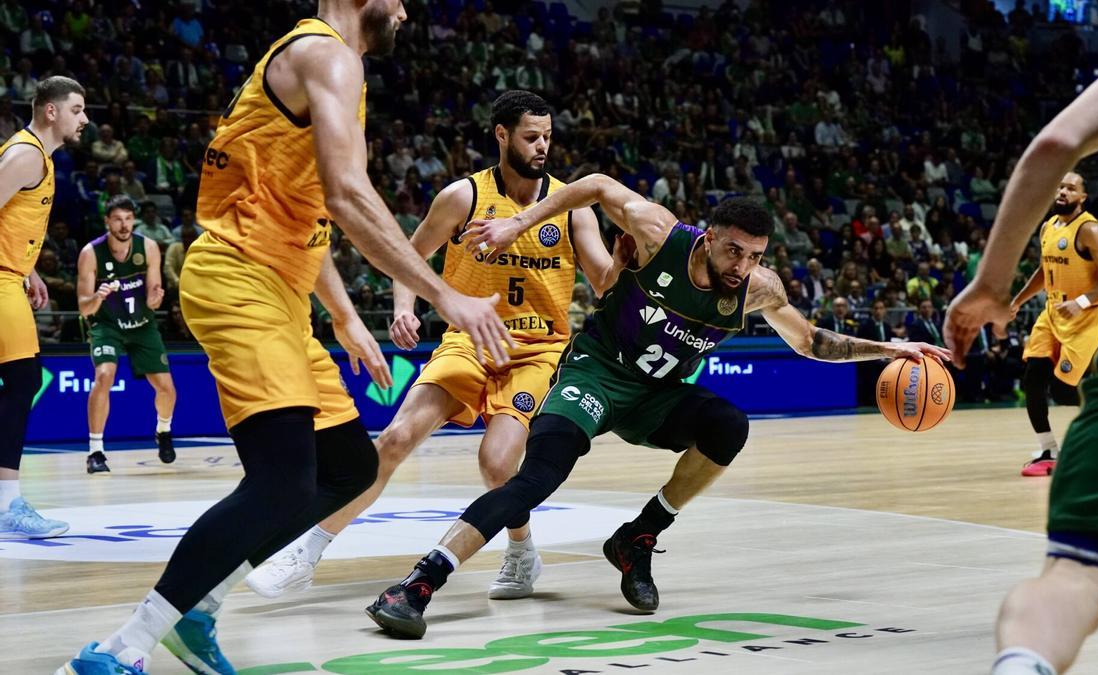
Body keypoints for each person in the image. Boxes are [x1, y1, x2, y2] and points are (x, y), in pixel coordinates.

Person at [59, 3, 512, 674]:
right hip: (240, 279)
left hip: (282, 290)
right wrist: (444, 293)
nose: (406, 9)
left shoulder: (324, 59)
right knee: (280, 482)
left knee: (348, 469)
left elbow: (312, 210)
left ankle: (199, 606)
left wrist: (345, 315)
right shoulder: (327, 55)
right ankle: (120, 647)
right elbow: (349, 193)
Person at [363, 178, 948, 639]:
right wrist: (520, 220)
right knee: (537, 477)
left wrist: (888, 348)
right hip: (594, 374)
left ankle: (637, 537)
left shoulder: (759, 288)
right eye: (733, 251)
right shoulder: (657, 232)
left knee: (728, 425)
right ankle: (419, 583)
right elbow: (593, 183)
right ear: (709, 237)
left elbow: (810, 342)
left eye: (754, 255)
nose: (741, 266)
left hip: (658, 396)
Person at [245, 90, 622, 602]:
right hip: (468, 342)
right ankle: (305, 553)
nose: (542, 147)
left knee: (498, 463)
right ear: (502, 135)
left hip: (537, 351)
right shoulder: (462, 197)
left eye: (548, 137)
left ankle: (521, 550)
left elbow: (603, 282)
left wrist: (625, 259)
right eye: (532, 137)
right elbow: (409, 256)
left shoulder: (571, 208)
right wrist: (405, 307)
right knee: (396, 438)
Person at [944, 18, 1098, 675]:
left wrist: (990, 285)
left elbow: (1057, 140)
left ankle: (1023, 664)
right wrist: (1025, 295)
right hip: (1084, 311)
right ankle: (1042, 443)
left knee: (1079, 567)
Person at [0, 77, 87, 540]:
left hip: (11, 275)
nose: (85, 118)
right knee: (23, 380)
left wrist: (28, 267)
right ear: (51, 111)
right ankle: (7, 506)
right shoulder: (27, 154)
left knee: (21, 380)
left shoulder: (39, 157)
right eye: (77, 109)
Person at [1007, 172, 1098, 476]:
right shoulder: (1049, 226)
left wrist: (1082, 301)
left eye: (1071, 188)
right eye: (1060, 186)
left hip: (1086, 315)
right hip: (1054, 311)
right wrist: (1019, 299)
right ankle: (1048, 451)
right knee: (1033, 377)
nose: (1063, 191)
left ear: (1082, 197)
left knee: (1061, 390)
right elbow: (1044, 269)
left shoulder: (1091, 230)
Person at [76, 195, 177, 474]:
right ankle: (96, 451)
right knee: (104, 376)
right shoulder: (90, 253)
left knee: (166, 388)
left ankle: (163, 431)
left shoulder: (149, 247)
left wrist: (156, 298)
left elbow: (154, 298)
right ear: (107, 221)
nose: (124, 225)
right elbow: (84, 308)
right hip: (106, 326)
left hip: (142, 325)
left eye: (129, 219)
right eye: (118, 219)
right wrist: (98, 295)